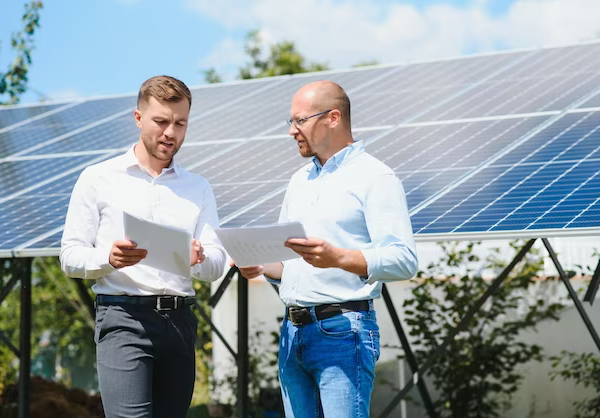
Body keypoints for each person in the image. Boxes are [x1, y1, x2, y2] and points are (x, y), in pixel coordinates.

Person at [236, 81, 418, 417]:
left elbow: (404, 260)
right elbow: (291, 263)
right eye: (290, 122)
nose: (292, 131)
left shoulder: (376, 177)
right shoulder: (299, 181)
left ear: (333, 118)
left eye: (299, 121)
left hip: (341, 332)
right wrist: (260, 266)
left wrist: (339, 258)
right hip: (293, 333)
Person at [60, 75, 226, 418]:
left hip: (180, 321)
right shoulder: (98, 178)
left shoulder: (199, 188)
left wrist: (198, 258)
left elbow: (217, 264)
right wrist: (109, 258)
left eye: (180, 123)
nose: (170, 132)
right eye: (161, 121)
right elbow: (70, 256)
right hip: (124, 319)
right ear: (138, 119)